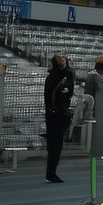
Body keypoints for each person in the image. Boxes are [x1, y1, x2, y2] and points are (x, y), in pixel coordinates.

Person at [43, 53, 75, 183]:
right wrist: (60, 109)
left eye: (63, 58)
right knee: (54, 146)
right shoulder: (52, 77)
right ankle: (50, 174)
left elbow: (68, 94)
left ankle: (52, 172)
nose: (62, 61)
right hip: (54, 115)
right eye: (59, 59)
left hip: (62, 115)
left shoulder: (69, 75)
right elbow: (50, 98)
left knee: (58, 145)